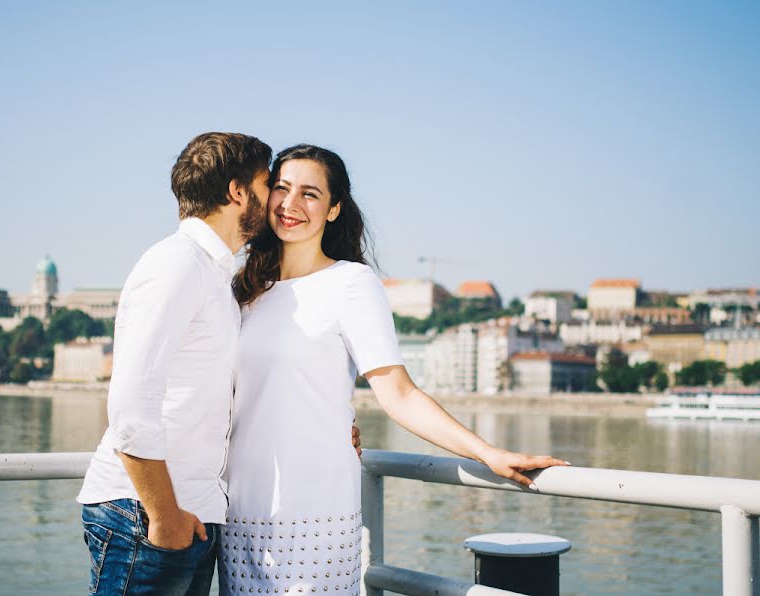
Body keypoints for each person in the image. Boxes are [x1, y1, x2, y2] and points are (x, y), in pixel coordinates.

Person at [221, 144, 568, 595]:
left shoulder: (351, 284)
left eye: (310, 194)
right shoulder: (246, 289)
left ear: (333, 209)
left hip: (313, 510)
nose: (290, 204)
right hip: (240, 511)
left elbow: (398, 394)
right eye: (282, 189)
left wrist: (487, 453)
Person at [77, 132, 273, 596]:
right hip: (147, 516)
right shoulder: (177, 263)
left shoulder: (213, 274)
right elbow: (129, 405)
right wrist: (164, 516)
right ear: (237, 192)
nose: (275, 198)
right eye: (268, 185)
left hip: (192, 515)